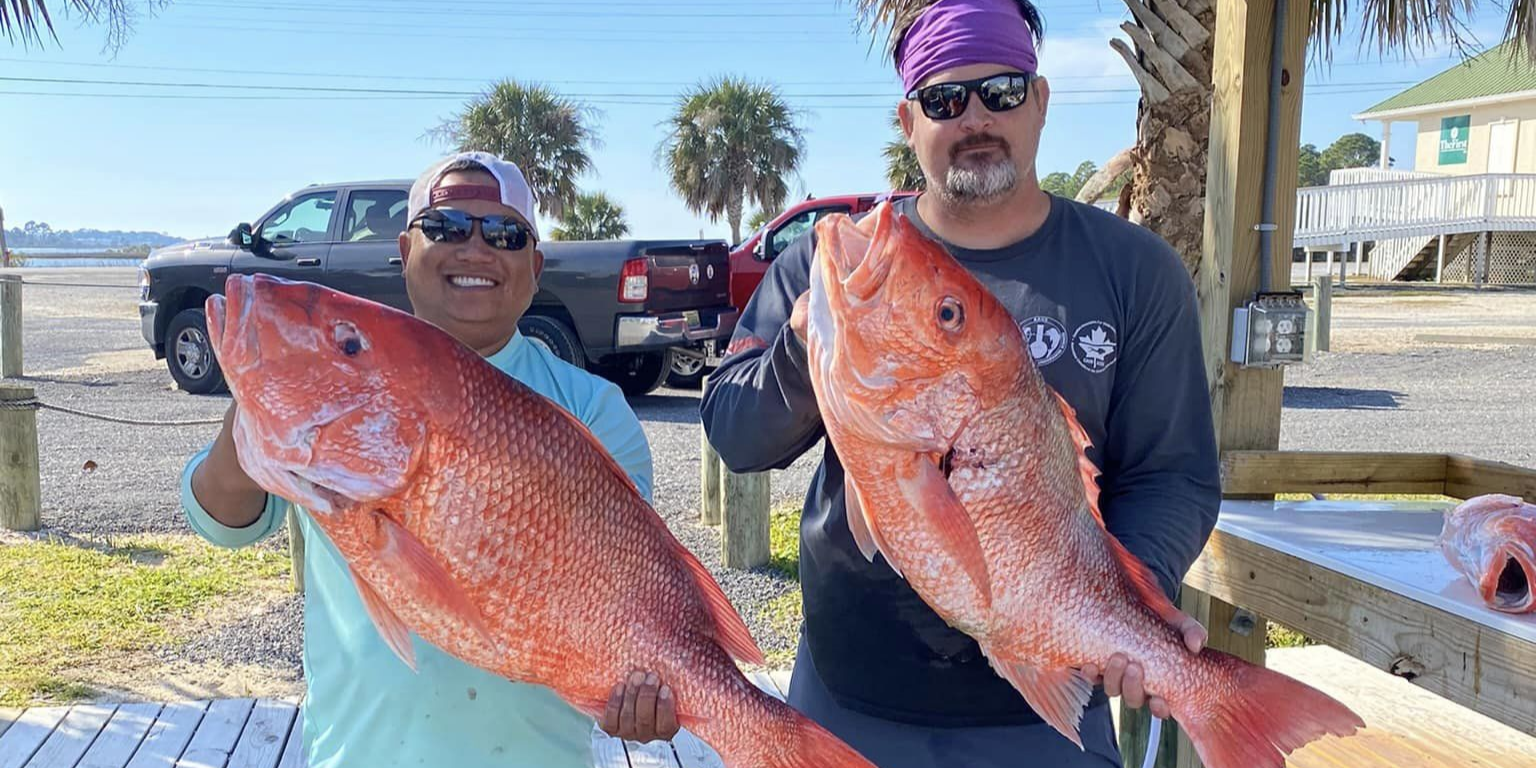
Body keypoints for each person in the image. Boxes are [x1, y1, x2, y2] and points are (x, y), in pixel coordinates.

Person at [698, 1, 1222, 765]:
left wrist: (1129, 611)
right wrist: (803, 353)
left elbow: (1173, 473)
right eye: (945, 100)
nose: (975, 116)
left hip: (1048, 718)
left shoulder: (1137, 273)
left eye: (1002, 90)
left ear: (1040, 102)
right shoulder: (828, 269)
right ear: (908, 122)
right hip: (846, 698)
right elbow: (734, 434)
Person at [182, 151, 680, 767]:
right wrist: (263, 399)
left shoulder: (594, 411)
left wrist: (639, 690)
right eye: (445, 227)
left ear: (534, 265)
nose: (475, 250)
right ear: (405, 248)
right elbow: (219, 517)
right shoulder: (344, 380)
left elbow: (632, 598)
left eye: (503, 234)